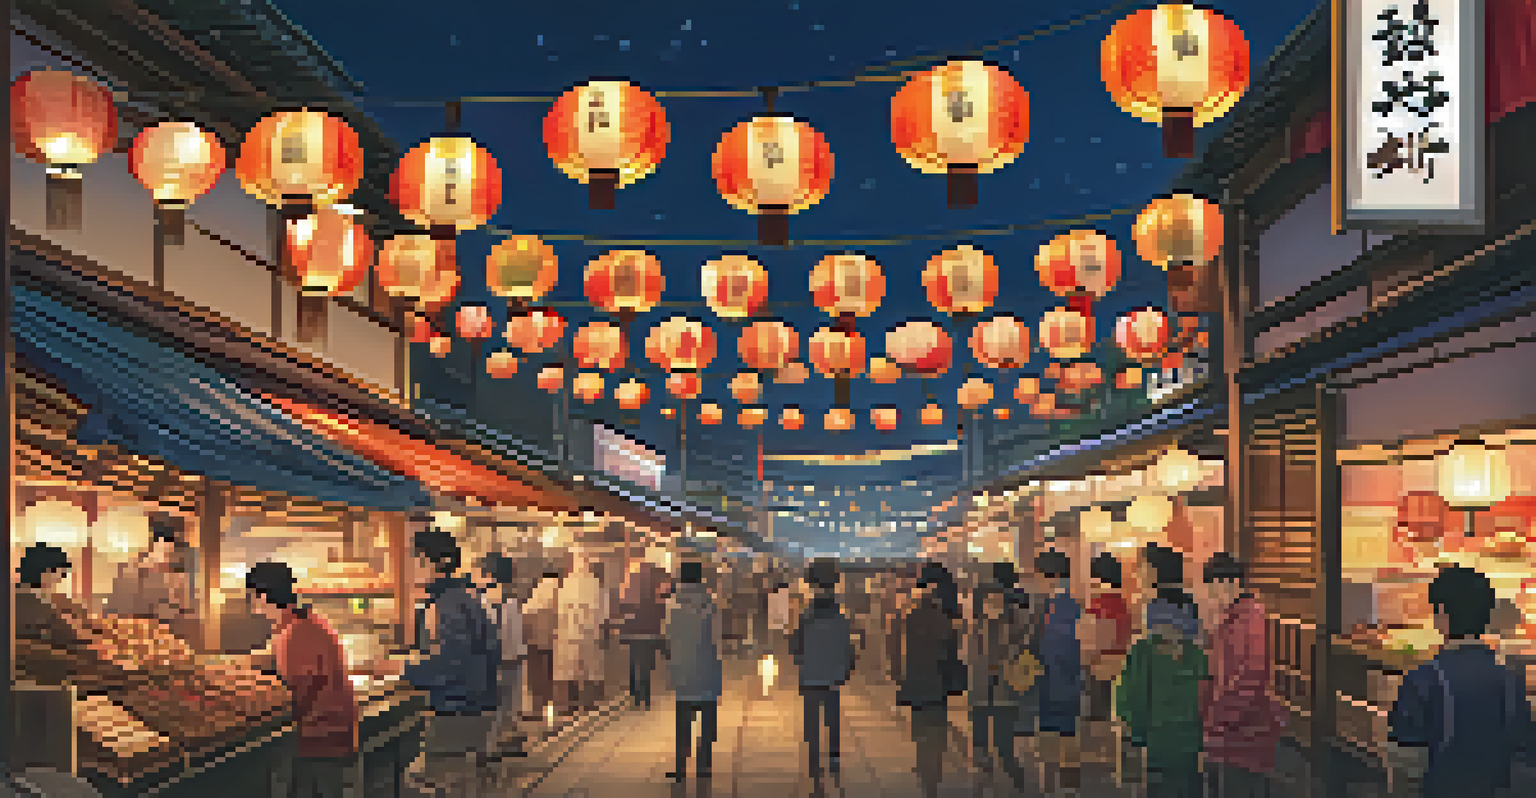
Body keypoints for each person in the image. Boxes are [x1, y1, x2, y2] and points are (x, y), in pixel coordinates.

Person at [1386, 565, 1531, 798]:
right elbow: (1524, 762)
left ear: (1441, 612)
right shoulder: (1511, 681)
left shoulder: (1422, 680)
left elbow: (1407, 770)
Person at [397, 528, 500, 798]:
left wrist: (401, 670)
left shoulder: (447, 603)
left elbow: (452, 664)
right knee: (458, 782)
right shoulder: (463, 597)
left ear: (440, 562)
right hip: (476, 705)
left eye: (417, 559)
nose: (412, 567)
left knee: (432, 782)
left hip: (458, 709)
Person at [245, 561, 358, 798]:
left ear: (263, 596)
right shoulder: (308, 622)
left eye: (251, 596)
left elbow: (297, 695)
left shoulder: (295, 633)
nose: (251, 604)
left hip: (320, 742)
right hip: (333, 738)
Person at [1117, 547, 1209, 798]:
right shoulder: (1196, 644)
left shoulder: (1146, 647)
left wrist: (1135, 733)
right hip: (1191, 737)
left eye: (1143, 566)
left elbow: (1135, 692)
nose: (1139, 572)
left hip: (1159, 736)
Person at [1201, 552, 1286, 798]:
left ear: (1228, 583)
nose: (1212, 596)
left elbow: (1249, 677)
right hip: (1232, 736)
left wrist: (1219, 719)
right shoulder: (1233, 620)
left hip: (1243, 738)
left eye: (1212, 587)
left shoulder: (1248, 621)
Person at [898, 561, 962, 798]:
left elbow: (905, 650)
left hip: (917, 679)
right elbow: (952, 653)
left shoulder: (913, 615)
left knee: (921, 726)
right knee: (936, 727)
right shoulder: (947, 618)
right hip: (939, 681)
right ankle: (932, 770)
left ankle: (924, 766)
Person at [791, 558, 856, 779]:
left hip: (810, 673)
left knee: (811, 718)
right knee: (832, 715)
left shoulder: (805, 616)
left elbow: (795, 646)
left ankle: (813, 759)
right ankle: (834, 756)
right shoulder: (840, 616)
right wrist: (846, 668)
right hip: (832, 674)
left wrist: (800, 659)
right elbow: (848, 645)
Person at [967, 561, 1029, 788]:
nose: (992, 605)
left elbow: (1022, 652)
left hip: (1005, 692)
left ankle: (1016, 781)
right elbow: (969, 657)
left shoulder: (1015, 625)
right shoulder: (976, 627)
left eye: (996, 601)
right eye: (988, 601)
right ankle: (984, 782)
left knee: (1005, 747)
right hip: (981, 692)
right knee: (980, 745)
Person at [664, 560, 723, 782]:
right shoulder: (710, 603)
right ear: (700, 579)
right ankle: (704, 767)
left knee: (683, 723)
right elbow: (716, 639)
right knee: (707, 723)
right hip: (707, 669)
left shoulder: (671, 604)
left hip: (683, 670)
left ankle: (680, 767)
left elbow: (667, 635)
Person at [1034, 549, 1085, 795]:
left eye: (1039, 575)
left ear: (1051, 576)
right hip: (1064, 681)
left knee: (1056, 738)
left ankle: (1056, 788)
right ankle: (1063, 787)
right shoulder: (1069, 605)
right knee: (1065, 736)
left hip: (1056, 681)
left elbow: (1063, 648)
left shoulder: (1060, 608)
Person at [1082, 552, 1133, 770]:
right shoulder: (1124, 604)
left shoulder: (1097, 604)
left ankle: (1100, 756)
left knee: (1098, 711)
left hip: (1100, 664)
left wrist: (1086, 658)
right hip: (1121, 663)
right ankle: (1114, 755)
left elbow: (1093, 640)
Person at [106, 522, 197, 643]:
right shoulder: (130, 571)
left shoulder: (178, 578)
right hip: (130, 633)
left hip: (159, 635)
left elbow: (182, 612)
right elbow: (116, 608)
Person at [479, 552, 526, 756]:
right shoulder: (513, 603)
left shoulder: (480, 603)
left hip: (490, 663)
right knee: (508, 707)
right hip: (512, 661)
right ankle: (501, 745)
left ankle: (490, 748)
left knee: (491, 710)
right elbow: (517, 636)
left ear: (489, 574)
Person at [554, 554, 606, 712]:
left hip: (570, 634)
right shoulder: (595, 584)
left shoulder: (566, 584)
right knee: (588, 670)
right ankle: (589, 703)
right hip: (589, 633)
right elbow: (604, 611)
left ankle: (570, 704)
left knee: (571, 670)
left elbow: (560, 610)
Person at [616, 558, 668, 710]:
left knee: (634, 664)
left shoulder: (628, 588)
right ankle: (644, 697)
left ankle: (635, 696)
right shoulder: (655, 588)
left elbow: (622, 608)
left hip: (633, 633)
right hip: (650, 632)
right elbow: (661, 611)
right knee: (645, 666)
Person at [522, 562, 562, 722]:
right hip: (553, 645)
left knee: (536, 679)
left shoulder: (534, 601)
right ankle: (550, 706)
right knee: (549, 677)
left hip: (534, 646)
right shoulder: (558, 594)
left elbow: (525, 623)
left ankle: (537, 709)